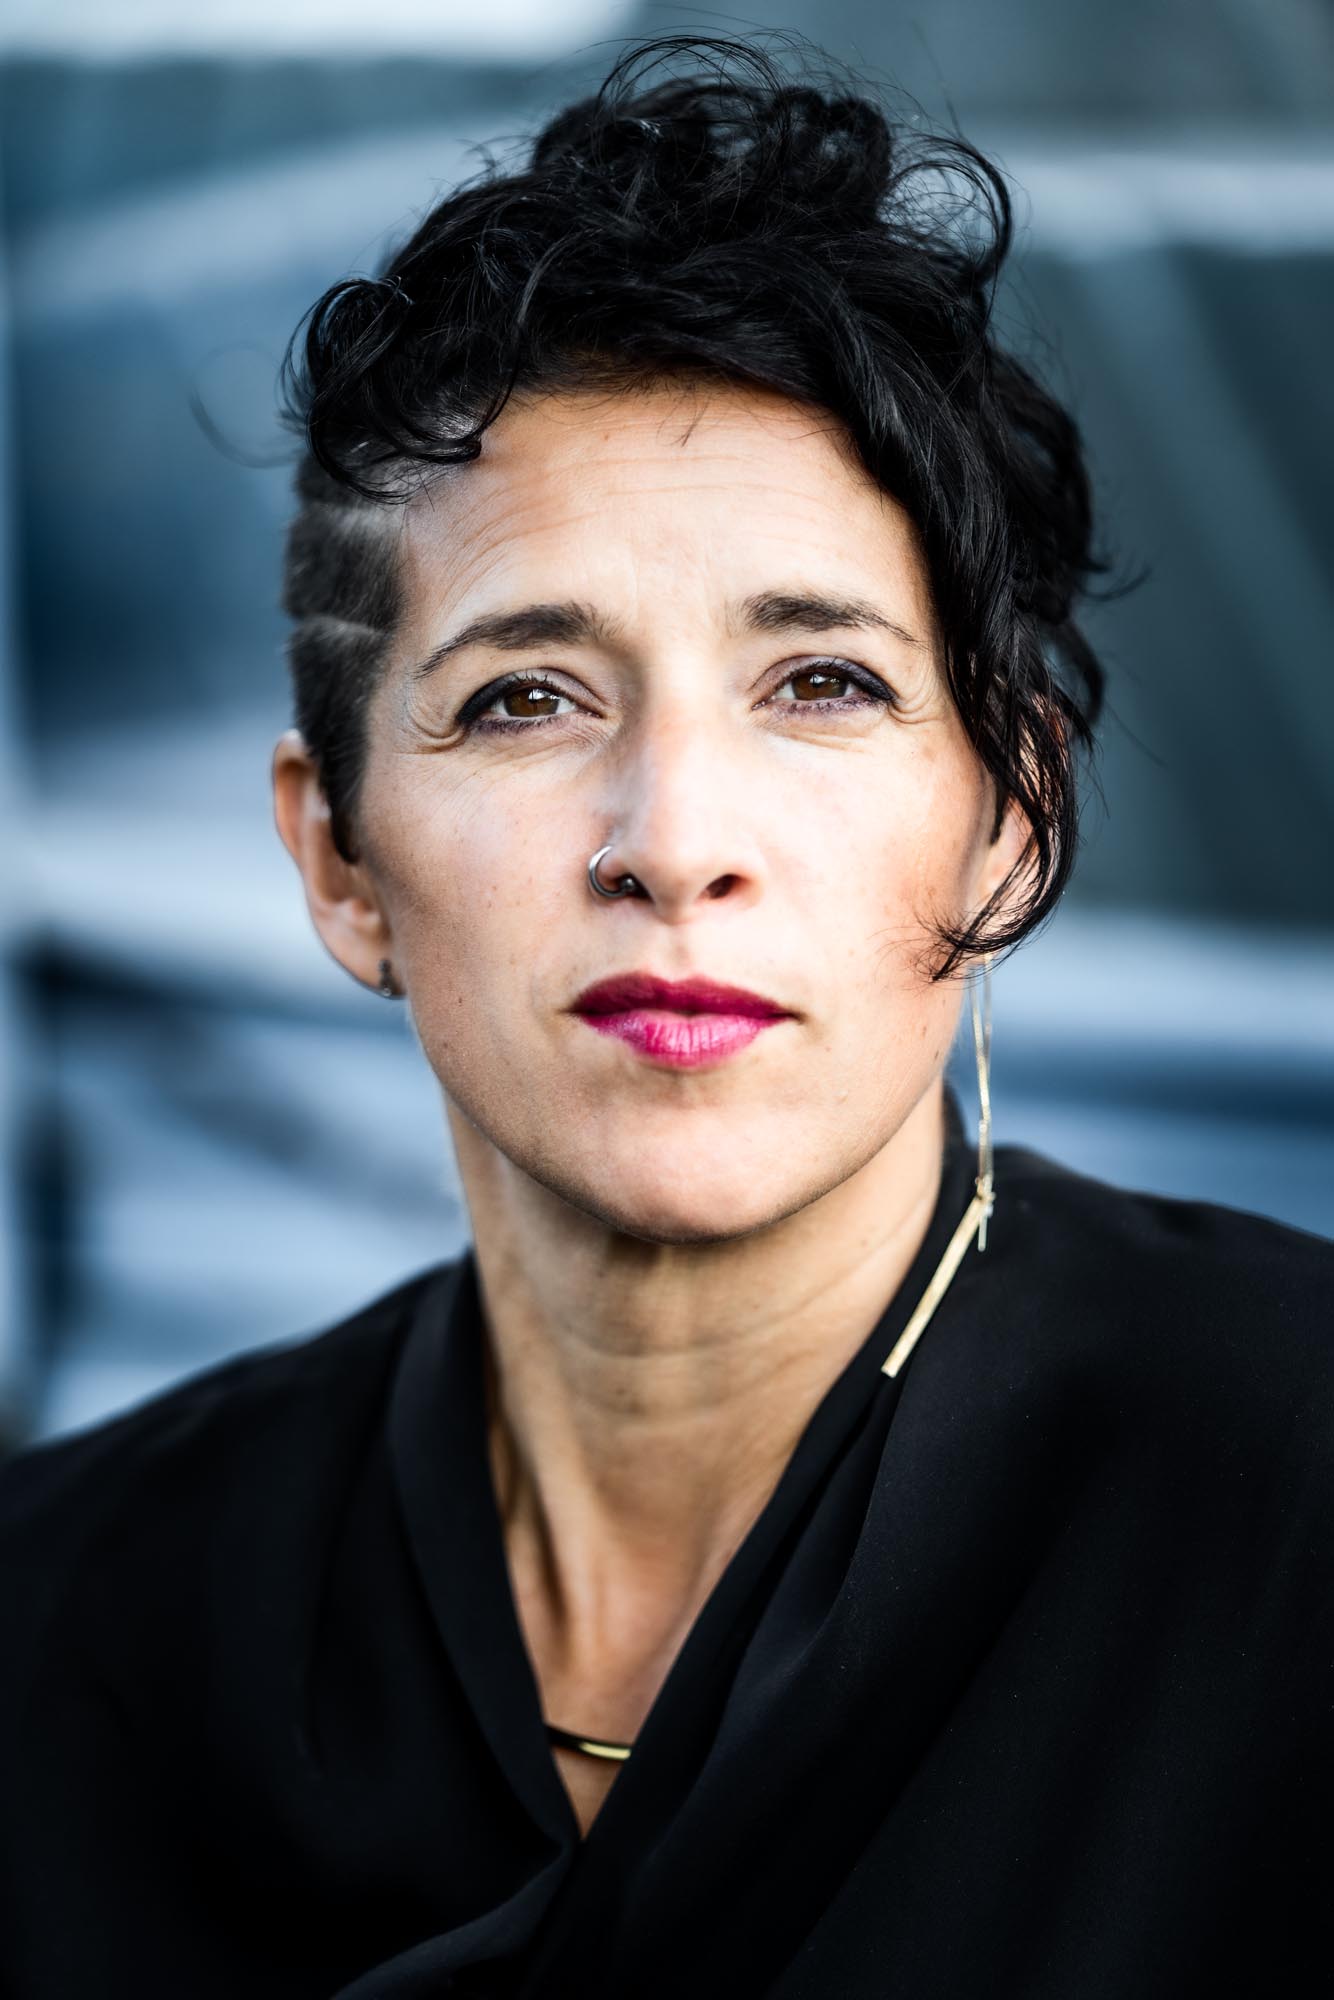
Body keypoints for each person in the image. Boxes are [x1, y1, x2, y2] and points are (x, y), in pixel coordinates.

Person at [1, 32, 1330, 2000]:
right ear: (340, 859)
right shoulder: (63, 1624)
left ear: (1005, 825)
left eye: (821, 685)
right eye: (526, 699)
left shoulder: (1294, 1500)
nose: (675, 844)